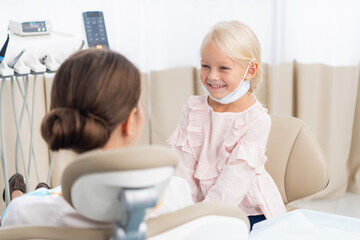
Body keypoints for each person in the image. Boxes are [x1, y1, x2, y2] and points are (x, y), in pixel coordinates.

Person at [1, 48, 145, 227]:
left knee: (33, 200)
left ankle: (18, 194)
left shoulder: (22, 214)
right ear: (130, 122)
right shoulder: (175, 197)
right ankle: (41, 191)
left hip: (40, 210)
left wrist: (20, 204)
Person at [167, 21, 286, 230]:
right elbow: (182, 168)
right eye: (205, 66)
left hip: (248, 211)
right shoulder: (193, 109)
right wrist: (179, 211)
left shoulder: (257, 120)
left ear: (250, 70)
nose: (212, 76)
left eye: (223, 68)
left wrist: (202, 218)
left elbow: (234, 182)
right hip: (202, 208)